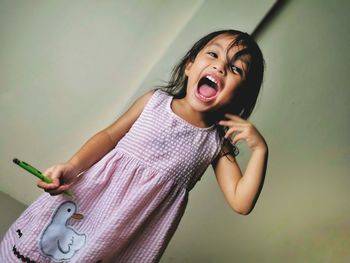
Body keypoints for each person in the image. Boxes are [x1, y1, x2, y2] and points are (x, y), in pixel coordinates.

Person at [0, 29, 268, 262]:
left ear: (238, 96)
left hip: (131, 227)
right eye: (213, 54)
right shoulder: (155, 102)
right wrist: (72, 166)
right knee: (43, 244)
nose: (220, 67)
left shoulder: (214, 143)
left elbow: (241, 202)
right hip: (93, 197)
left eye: (235, 69)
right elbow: (109, 137)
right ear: (189, 66)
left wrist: (259, 150)